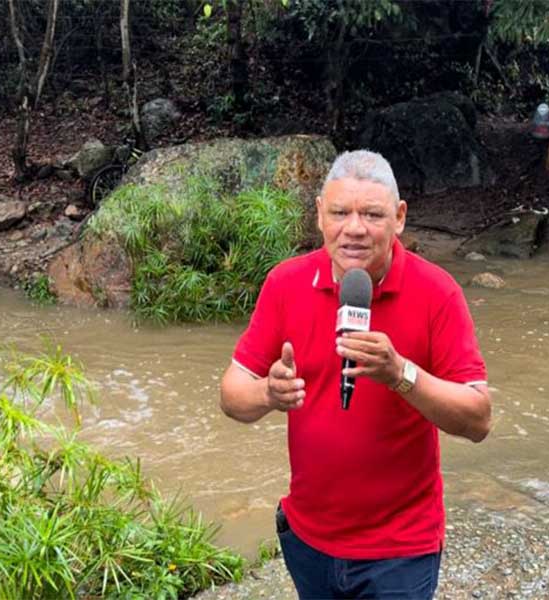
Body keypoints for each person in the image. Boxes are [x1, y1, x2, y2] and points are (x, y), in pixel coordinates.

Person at [220, 150, 491, 599]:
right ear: (320, 216)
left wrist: (399, 373)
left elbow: (478, 419)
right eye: (340, 213)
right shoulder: (286, 283)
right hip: (309, 540)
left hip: (401, 549)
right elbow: (231, 396)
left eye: (372, 214)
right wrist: (268, 392)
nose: (355, 229)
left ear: (399, 218)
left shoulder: (437, 292)